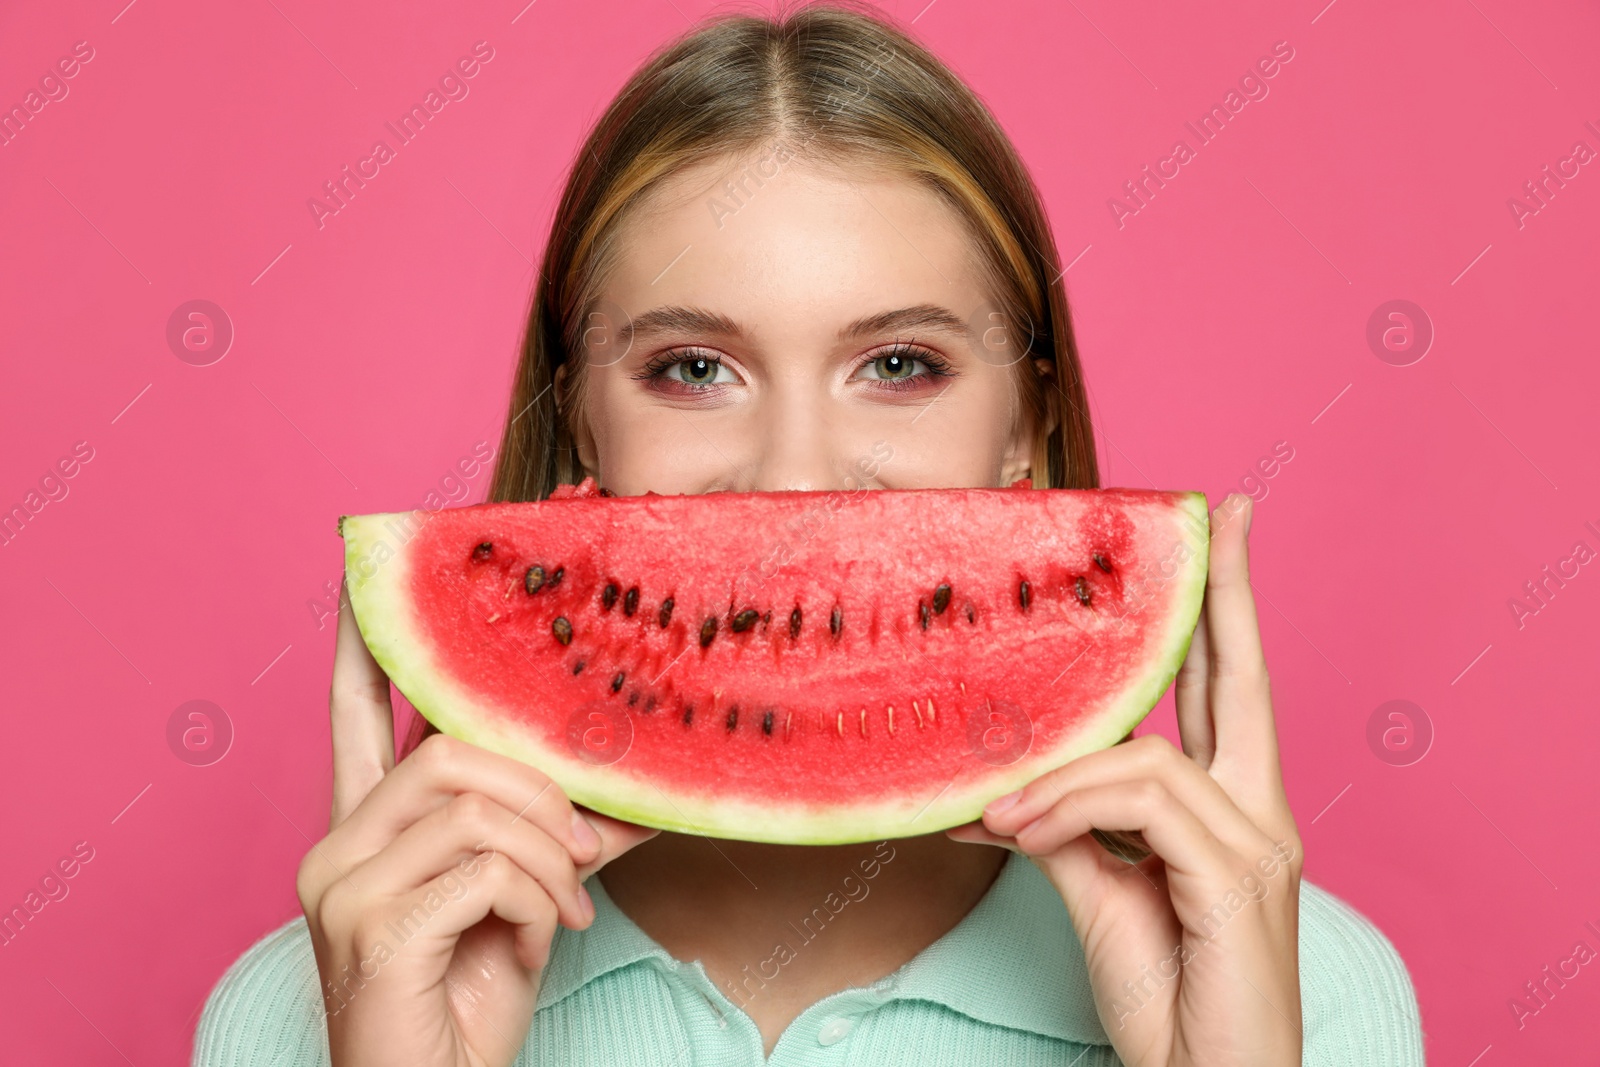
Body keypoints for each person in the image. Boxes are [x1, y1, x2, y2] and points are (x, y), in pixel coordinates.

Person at [192, 3, 1425, 1064]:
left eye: (899, 362)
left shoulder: (1309, 987)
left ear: (1025, 425)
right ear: (578, 425)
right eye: (690, 367)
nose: (795, 481)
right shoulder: (312, 1004)